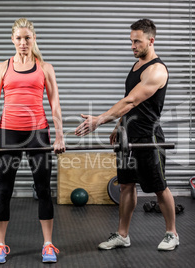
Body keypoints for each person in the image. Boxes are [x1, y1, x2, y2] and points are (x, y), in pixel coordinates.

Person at [74, 18, 179, 251]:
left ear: (151, 40)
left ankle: (172, 233)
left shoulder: (157, 70)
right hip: (128, 137)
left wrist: (99, 119)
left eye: (137, 42)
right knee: (126, 185)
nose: (132, 46)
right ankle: (123, 235)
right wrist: (118, 126)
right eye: (131, 41)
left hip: (148, 137)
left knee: (159, 186)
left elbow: (131, 100)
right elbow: (130, 105)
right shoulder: (136, 67)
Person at [0, 18, 65, 264]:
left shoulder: (45, 68)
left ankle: (48, 244)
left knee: (43, 190)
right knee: (4, 190)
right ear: (12, 40)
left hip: (38, 135)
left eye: (27, 38)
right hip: (9, 134)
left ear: (34, 39)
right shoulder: (1, 68)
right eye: (18, 38)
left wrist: (60, 135)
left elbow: (55, 104)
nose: (23, 42)